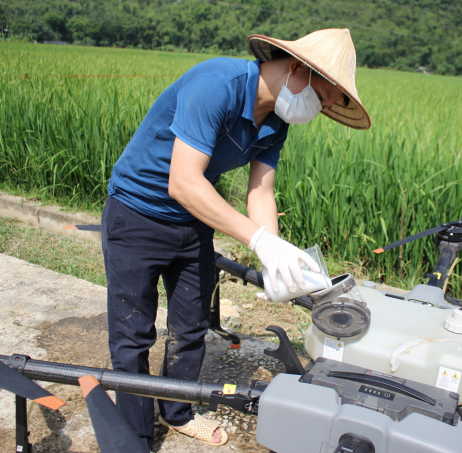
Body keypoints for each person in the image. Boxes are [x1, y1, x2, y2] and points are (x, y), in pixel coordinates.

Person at [101, 28, 371, 450]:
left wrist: (274, 255)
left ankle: (178, 412)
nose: (320, 110)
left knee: (191, 327)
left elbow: (260, 190)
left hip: (193, 222)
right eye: (323, 98)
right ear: (298, 70)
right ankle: (133, 434)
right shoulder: (216, 85)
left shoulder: (276, 120)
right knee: (134, 334)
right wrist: (259, 240)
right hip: (137, 214)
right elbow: (183, 182)